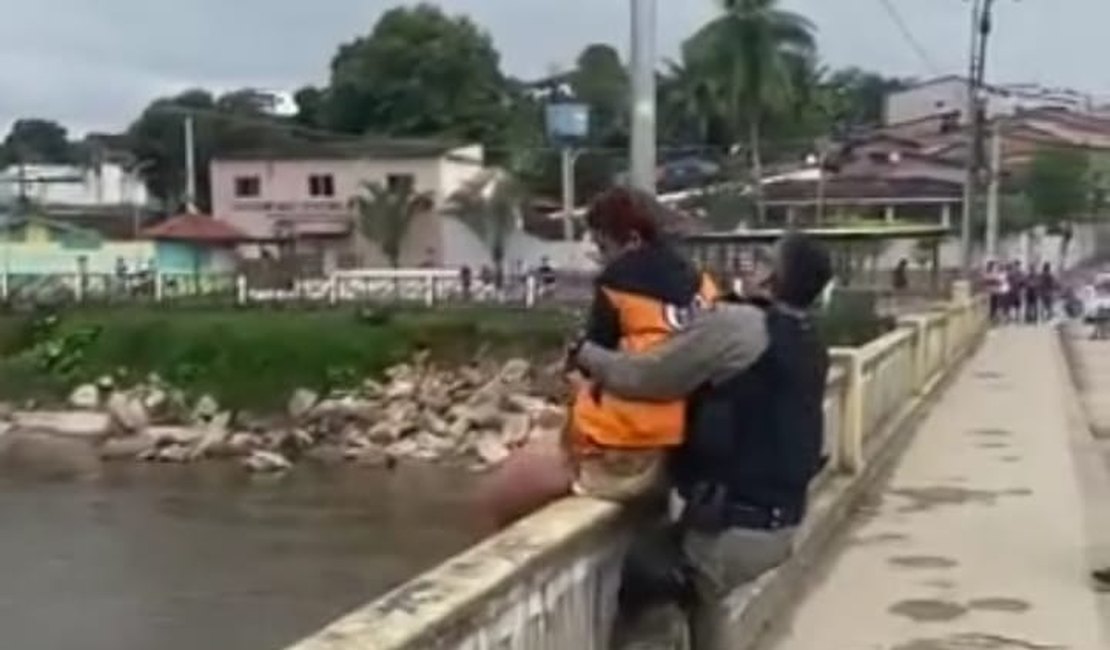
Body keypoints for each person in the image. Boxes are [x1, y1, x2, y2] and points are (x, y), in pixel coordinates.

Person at [574, 234, 833, 649]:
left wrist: (587, 354)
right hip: (782, 521)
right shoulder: (810, 340)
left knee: (651, 572)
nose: (751, 266)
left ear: (774, 278)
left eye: (763, 260)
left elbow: (648, 377)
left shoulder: (741, 327)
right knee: (705, 598)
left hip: (737, 529)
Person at [478, 186, 718, 527]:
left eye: (604, 246)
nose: (602, 258)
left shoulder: (618, 284)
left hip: (629, 446)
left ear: (632, 240)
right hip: (692, 439)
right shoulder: (704, 285)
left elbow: (591, 364)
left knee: (499, 495)